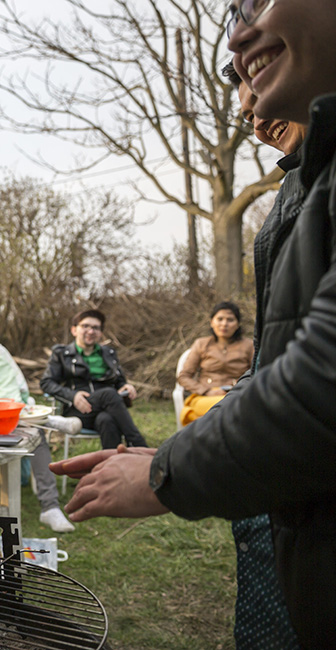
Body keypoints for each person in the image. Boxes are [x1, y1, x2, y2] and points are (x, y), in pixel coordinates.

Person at [51, 2, 336, 645]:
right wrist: (174, 455)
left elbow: (319, 387)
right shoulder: (311, 182)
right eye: (236, 12)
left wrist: (165, 473)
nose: (239, 34)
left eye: (259, 4)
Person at [0, 302, 78, 532]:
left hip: (11, 413)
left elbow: (16, 378)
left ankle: (50, 508)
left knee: (36, 434)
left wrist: (19, 400)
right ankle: (48, 420)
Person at [40, 309, 148, 449]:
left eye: (95, 328)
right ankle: (139, 444)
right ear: (74, 330)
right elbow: (46, 383)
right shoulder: (61, 353)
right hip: (77, 411)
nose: (91, 331)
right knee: (108, 393)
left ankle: (111, 468)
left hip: (106, 410)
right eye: (85, 326)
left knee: (106, 420)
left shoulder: (109, 353)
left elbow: (119, 380)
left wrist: (125, 386)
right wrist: (72, 396)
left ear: (101, 333)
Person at [177, 301, 254, 426]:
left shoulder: (249, 345)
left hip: (237, 397)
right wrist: (206, 391)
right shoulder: (201, 344)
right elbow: (183, 377)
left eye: (230, 320)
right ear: (212, 322)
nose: (224, 324)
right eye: (220, 319)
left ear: (238, 324)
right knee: (228, 410)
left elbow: (257, 373)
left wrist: (239, 390)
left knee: (234, 407)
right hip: (205, 398)